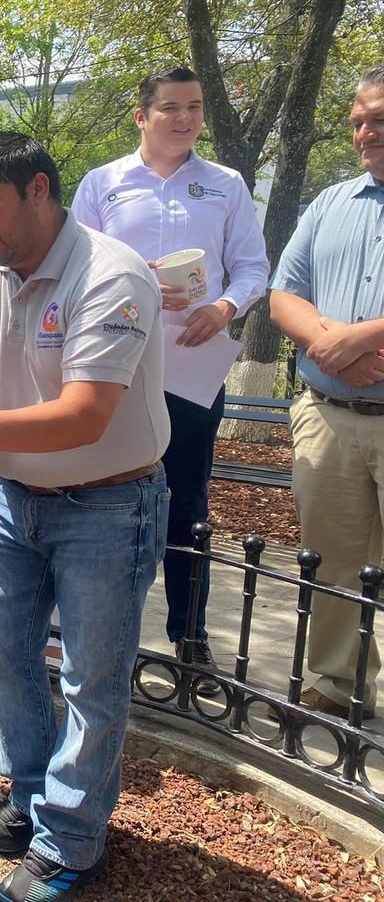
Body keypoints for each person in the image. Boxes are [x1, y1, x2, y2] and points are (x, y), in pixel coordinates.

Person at [0, 132, 170, 901]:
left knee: (92, 676)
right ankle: (29, 798)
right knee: (4, 650)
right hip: (16, 500)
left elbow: (84, 417)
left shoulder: (112, 277)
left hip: (110, 502)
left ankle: (73, 839)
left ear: (40, 190)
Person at [73, 66, 269, 692]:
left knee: (187, 505)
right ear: (141, 116)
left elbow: (252, 267)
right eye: (170, 108)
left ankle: (190, 639)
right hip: (114, 373)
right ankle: (98, 637)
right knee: (104, 502)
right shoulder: (104, 183)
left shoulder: (226, 185)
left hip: (191, 373)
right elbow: (72, 262)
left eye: (195, 107)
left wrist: (224, 308)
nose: (184, 119)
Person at [269, 61, 384, 721]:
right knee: (333, 561)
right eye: (357, 122)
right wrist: (328, 343)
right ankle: (334, 685)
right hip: (329, 416)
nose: (365, 133)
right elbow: (284, 293)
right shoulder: (329, 203)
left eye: (379, 121)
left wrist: (362, 334)